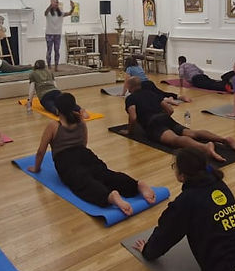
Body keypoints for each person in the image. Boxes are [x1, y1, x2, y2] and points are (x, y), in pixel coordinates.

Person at [28, 92, 156, 215]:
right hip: (85, 153)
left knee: (83, 181)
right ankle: (136, 185)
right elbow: (84, 142)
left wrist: (36, 168)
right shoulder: (80, 120)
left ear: (58, 109)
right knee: (104, 174)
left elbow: (41, 152)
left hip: (65, 160)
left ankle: (110, 197)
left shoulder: (53, 125)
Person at [124, 76, 235, 163]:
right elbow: (170, 110)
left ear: (130, 87)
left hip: (153, 124)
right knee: (192, 132)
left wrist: (129, 132)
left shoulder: (130, 98)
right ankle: (223, 139)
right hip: (166, 118)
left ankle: (204, 147)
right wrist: (164, 119)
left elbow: (133, 117)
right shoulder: (151, 93)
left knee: (176, 140)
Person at [44, 0, 75, 70]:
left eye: (57, 3)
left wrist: (73, 7)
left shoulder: (60, 13)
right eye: (54, 2)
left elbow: (69, 13)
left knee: (57, 51)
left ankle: (56, 66)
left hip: (57, 34)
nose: (56, 4)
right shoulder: (48, 13)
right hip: (49, 34)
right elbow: (45, 12)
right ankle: (49, 66)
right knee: (49, 51)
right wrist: (50, 5)